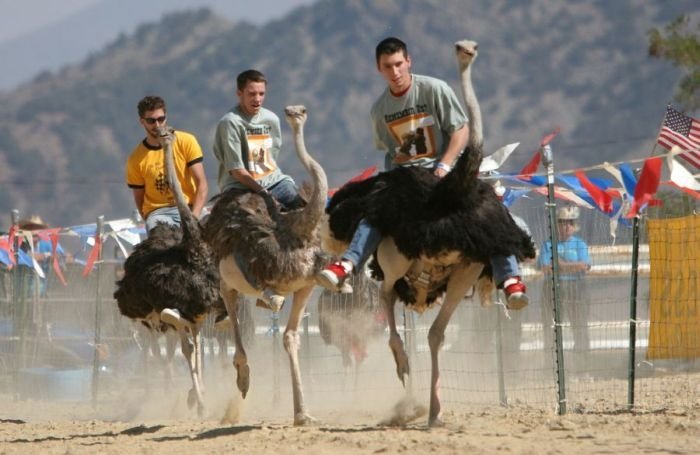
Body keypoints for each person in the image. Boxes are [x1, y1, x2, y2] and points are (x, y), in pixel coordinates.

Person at [318, 36, 528, 308]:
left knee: (486, 207)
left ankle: (510, 279)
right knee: (376, 209)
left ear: (408, 62)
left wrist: (444, 164)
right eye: (387, 67)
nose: (394, 72)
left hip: (442, 171)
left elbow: (460, 130)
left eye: (398, 64)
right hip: (407, 178)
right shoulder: (379, 110)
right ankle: (346, 265)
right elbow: (391, 151)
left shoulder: (433, 89)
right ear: (378, 69)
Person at [212, 69, 305, 309]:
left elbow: (272, 156)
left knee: (311, 214)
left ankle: (317, 270)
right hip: (240, 187)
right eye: (252, 94)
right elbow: (236, 170)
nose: (257, 99)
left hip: (274, 180)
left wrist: (271, 187)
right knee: (244, 231)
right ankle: (260, 286)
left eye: (261, 93)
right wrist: (263, 193)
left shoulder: (271, 119)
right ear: (239, 93)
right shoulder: (230, 123)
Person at [126, 95, 209, 232]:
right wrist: (149, 218)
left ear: (166, 117)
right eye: (151, 121)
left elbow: (202, 183)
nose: (157, 125)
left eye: (161, 119)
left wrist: (194, 216)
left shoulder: (186, 141)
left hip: (190, 206)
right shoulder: (136, 159)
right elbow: (139, 199)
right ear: (142, 122)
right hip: (160, 213)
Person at [537, 205, 591, 354]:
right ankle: (550, 366)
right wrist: (571, 266)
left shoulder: (580, 244)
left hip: (576, 288)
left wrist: (560, 264)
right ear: (556, 224)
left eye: (570, 222)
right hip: (552, 288)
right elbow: (545, 267)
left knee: (580, 327)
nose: (566, 226)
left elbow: (583, 266)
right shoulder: (548, 245)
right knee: (551, 327)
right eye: (562, 222)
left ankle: (582, 366)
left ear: (574, 225)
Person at [17, 215, 70, 298]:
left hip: (42, 293)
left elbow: (62, 255)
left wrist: (54, 256)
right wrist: (35, 257)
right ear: (24, 230)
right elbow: (14, 258)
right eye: (30, 228)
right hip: (20, 294)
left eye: (37, 228)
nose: (34, 231)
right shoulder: (18, 244)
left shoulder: (48, 242)